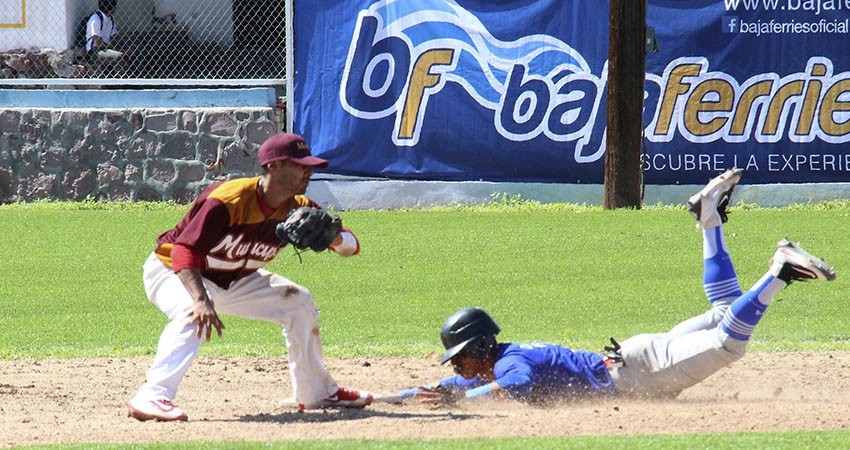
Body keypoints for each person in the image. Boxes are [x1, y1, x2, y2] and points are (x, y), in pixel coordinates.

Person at [401, 168, 836, 405]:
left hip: (638, 374)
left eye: (459, 360)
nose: (456, 368)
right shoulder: (505, 358)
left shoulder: (509, 366)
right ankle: (708, 219)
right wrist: (412, 394)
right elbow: (484, 383)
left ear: (480, 348)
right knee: (724, 313)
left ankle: (779, 271)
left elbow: (513, 385)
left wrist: (461, 400)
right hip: (634, 361)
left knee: (728, 343)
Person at [127, 132, 372, 422]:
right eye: (300, 164)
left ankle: (315, 392)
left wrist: (335, 236)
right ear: (274, 166)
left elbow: (352, 248)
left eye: (310, 165)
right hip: (172, 271)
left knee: (299, 303)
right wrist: (201, 300)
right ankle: (152, 395)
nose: (309, 170)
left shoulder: (300, 208)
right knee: (190, 311)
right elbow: (184, 251)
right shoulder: (228, 200)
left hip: (233, 278)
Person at [84, 0, 126, 74]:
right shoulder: (96, 18)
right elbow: (98, 42)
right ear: (113, 8)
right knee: (118, 57)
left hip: (106, 48)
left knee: (127, 54)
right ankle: (122, 82)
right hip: (94, 51)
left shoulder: (110, 19)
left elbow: (115, 37)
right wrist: (116, 50)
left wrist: (123, 48)